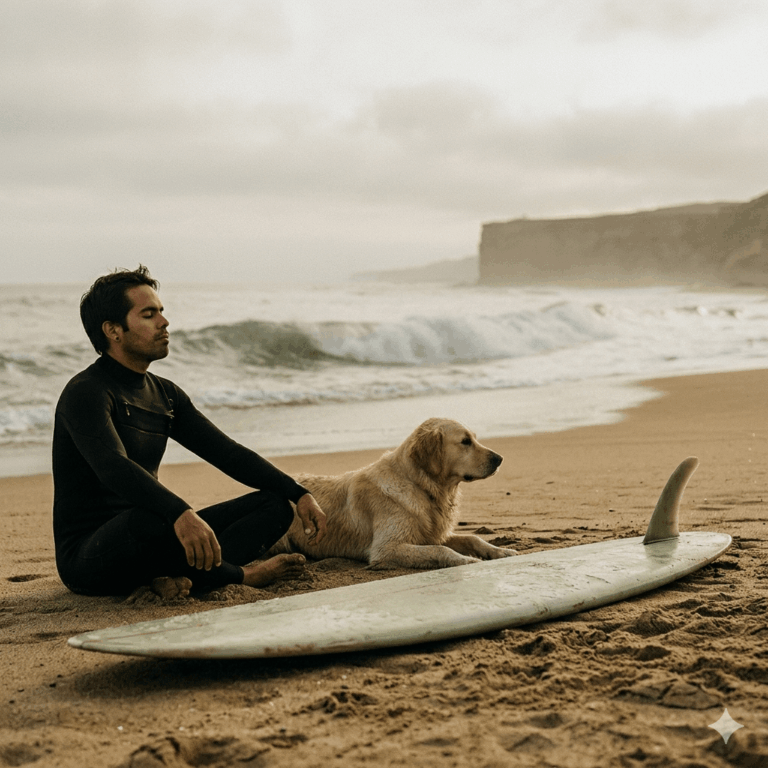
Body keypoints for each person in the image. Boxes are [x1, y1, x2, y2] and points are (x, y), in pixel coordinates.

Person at [52, 265, 327, 597]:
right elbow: (114, 467)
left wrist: (297, 492)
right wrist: (180, 512)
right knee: (153, 520)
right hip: (90, 557)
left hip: (156, 532)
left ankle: (176, 577)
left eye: (161, 313)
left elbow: (227, 453)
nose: (164, 323)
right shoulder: (87, 392)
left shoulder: (165, 394)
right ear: (113, 330)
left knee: (274, 506)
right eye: (149, 315)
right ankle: (239, 575)